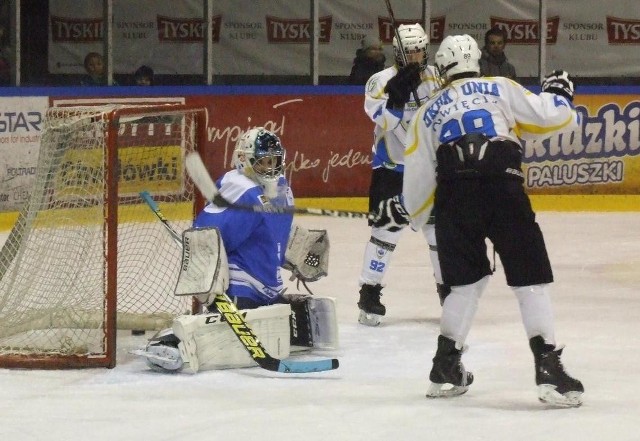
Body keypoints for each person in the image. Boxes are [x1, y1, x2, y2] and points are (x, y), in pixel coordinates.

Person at [395, 34, 583, 406]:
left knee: (464, 285)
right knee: (530, 278)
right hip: (502, 187)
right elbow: (555, 117)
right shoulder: (499, 86)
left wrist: (414, 215)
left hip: (453, 198)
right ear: (476, 61)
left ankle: (446, 369)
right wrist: (559, 92)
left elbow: (417, 183)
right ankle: (547, 367)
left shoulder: (425, 113)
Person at [137, 128, 335, 373]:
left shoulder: (281, 187)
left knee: (302, 331)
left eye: (275, 160)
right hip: (240, 289)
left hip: (270, 288)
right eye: (264, 161)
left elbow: (271, 229)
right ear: (245, 160)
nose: (271, 167)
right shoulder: (241, 188)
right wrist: (208, 265)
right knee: (224, 344)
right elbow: (208, 234)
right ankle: (171, 343)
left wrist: (288, 250)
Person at [356, 23, 445, 327]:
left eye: (419, 49)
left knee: (438, 233)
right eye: (409, 51)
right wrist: (397, 97)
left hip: (428, 171)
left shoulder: (437, 77)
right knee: (385, 232)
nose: (416, 55)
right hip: (391, 169)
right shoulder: (380, 81)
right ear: (398, 52)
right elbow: (383, 120)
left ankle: (448, 292)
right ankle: (369, 292)